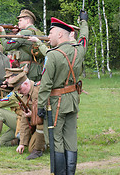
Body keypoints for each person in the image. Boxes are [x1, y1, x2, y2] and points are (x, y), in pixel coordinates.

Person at [37, 12, 88, 175]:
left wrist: (40, 106)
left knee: (55, 138)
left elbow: (45, 85)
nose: (48, 36)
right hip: (73, 99)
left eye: (50, 33)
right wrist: (84, 22)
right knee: (71, 138)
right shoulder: (79, 50)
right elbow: (84, 38)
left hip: (55, 103)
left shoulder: (52, 55)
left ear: (60, 34)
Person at [0, 9, 44, 81]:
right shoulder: (38, 32)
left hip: (27, 69)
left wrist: (2, 32)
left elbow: (7, 46)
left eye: (20, 20)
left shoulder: (24, 33)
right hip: (37, 69)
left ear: (27, 21)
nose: (18, 23)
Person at [10, 72, 46, 160]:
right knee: (31, 148)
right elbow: (24, 120)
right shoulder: (25, 97)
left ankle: (49, 143)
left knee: (35, 148)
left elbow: (48, 111)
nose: (19, 92)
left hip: (48, 123)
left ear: (26, 83)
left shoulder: (40, 90)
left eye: (20, 89)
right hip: (38, 125)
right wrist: (22, 143)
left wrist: (33, 114)